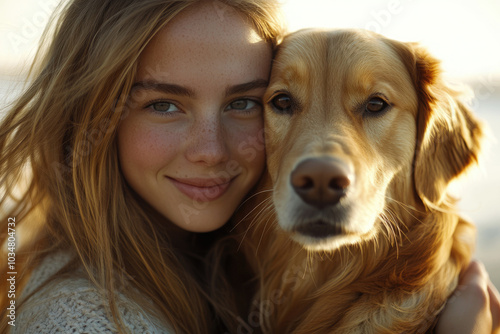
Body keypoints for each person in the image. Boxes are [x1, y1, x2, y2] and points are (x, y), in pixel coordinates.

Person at [0, 0, 498, 333]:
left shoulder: (219, 273)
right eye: (165, 104)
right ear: (89, 114)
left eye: (244, 103)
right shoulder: (83, 317)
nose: (212, 151)